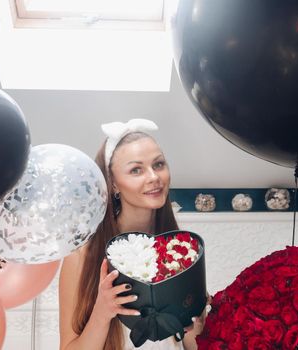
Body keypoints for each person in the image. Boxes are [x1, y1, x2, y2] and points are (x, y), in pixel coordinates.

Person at [59, 119, 206, 350]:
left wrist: (195, 329)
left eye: (158, 165)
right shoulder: (81, 255)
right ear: (113, 183)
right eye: (136, 170)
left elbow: (191, 345)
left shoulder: (180, 249)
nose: (153, 177)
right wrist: (102, 313)